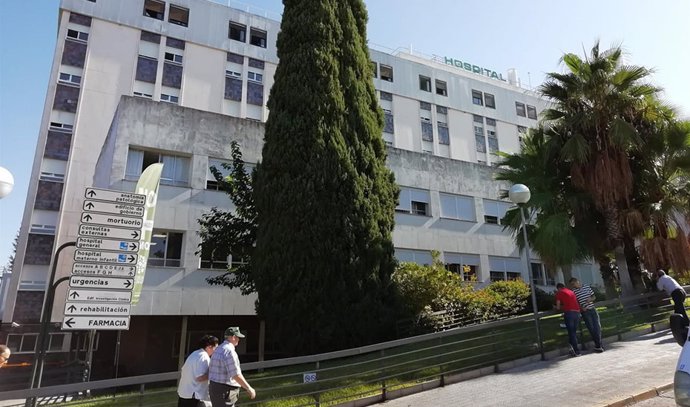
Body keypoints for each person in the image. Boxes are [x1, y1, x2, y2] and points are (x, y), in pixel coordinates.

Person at [208, 327, 256, 407]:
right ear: (233, 337)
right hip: (225, 391)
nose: (239, 340)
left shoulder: (218, 349)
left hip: (214, 388)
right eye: (238, 337)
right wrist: (249, 388)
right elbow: (235, 374)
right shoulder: (230, 351)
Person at [178, 335, 220, 407]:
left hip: (184, 394)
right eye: (216, 347)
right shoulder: (204, 357)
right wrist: (215, 372)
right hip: (193, 397)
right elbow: (200, 378)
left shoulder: (194, 354)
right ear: (209, 346)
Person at [569, 278, 604, 353]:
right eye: (572, 285)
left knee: (597, 326)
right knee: (591, 328)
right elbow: (576, 303)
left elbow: (594, 297)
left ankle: (598, 345)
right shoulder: (574, 292)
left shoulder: (587, 287)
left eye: (573, 284)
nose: (573, 285)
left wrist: (590, 299)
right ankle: (598, 345)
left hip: (592, 309)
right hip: (585, 311)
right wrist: (581, 308)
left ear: (577, 282)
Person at [555, 283, 581, 356]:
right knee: (573, 332)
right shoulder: (571, 291)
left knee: (571, 332)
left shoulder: (559, 292)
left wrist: (556, 307)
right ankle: (571, 348)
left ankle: (576, 351)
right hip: (577, 312)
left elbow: (558, 306)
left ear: (558, 288)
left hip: (569, 313)